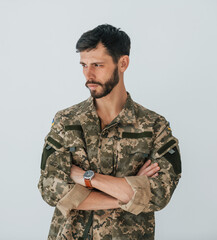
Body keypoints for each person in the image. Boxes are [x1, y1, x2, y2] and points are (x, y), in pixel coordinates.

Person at [38, 24, 181, 240]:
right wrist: (126, 195)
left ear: (122, 63)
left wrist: (85, 177)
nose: (89, 75)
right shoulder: (65, 121)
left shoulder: (155, 127)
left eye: (97, 64)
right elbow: (50, 189)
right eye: (84, 65)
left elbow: (158, 193)